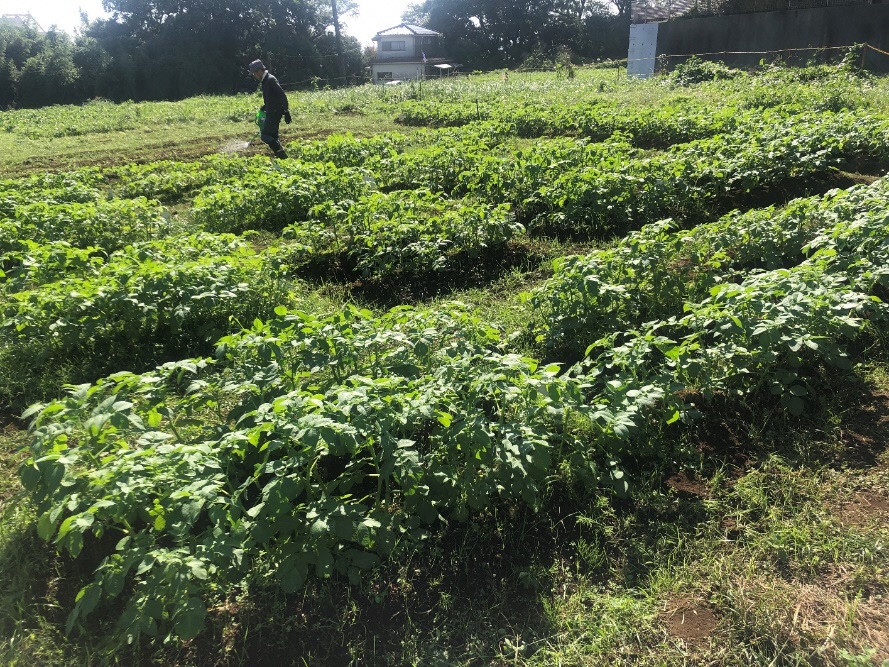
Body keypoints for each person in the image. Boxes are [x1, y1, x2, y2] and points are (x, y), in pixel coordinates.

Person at [248, 59, 291, 159]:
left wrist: (286, 111)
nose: (254, 76)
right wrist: (265, 106)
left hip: (275, 113)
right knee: (273, 136)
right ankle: (281, 156)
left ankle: (282, 156)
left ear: (259, 71)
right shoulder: (265, 81)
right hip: (271, 111)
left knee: (265, 135)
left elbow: (282, 95)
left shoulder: (270, 80)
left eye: (254, 73)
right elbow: (272, 97)